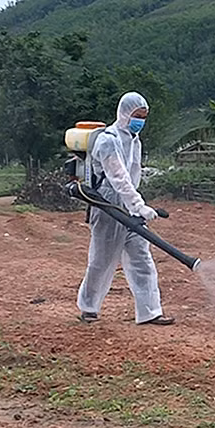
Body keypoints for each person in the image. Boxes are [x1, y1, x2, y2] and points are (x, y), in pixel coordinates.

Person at [76, 91, 175, 325]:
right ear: (125, 113)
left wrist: (136, 206)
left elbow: (132, 178)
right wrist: (139, 205)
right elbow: (118, 178)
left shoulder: (134, 139)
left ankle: (151, 312)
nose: (140, 121)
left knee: (142, 258)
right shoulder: (108, 140)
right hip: (108, 205)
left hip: (130, 206)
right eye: (137, 115)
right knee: (102, 261)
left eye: (143, 116)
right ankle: (88, 307)